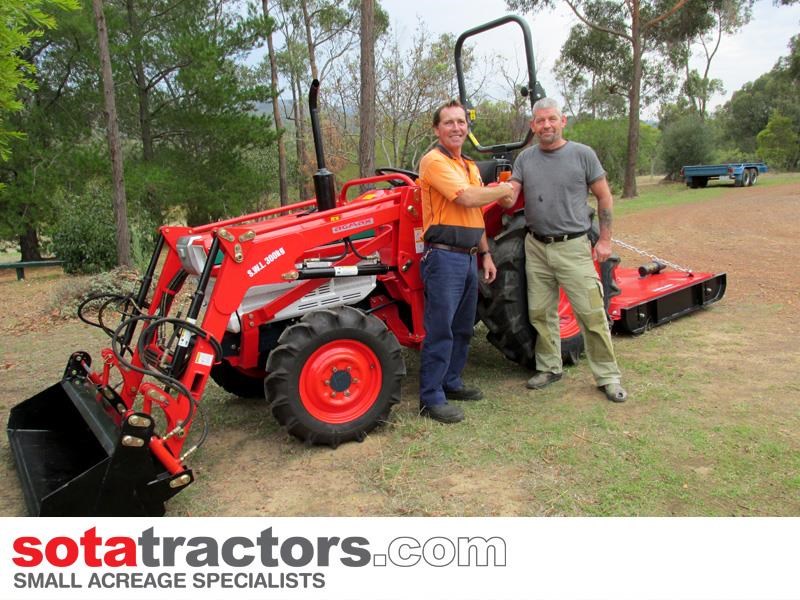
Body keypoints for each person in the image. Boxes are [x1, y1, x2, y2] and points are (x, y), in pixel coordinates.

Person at [508, 97, 627, 402]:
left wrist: (605, 240)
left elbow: (604, 197)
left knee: (591, 313)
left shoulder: (582, 155)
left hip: (572, 246)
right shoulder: (525, 159)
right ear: (532, 126)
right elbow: (510, 196)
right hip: (535, 246)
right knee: (540, 313)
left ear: (563, 122)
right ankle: (550, 367)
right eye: (539, 120)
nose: (546, 125)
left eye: (552, 119)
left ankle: (608, 376)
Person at [417, 100, 515, 423]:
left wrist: (485, 253)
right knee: (440, 327)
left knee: (462, 327)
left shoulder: (469, 165)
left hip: (469, 257)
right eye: (449, 123)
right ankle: (431, 397)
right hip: (443, 256)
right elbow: (467, 198)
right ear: (437, 129)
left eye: (461, 122)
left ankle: (452, 381)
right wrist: (502, 189)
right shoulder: (433, 162)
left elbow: (474, 214)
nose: (457, 128)